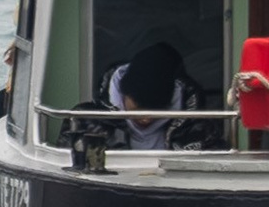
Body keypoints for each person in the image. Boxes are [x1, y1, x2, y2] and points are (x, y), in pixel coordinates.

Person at [70, 40, 224, 152]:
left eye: (155, 109)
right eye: (138, 107)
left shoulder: (199, 129)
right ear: (122, 94)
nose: (146, 118)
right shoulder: (85, 122)